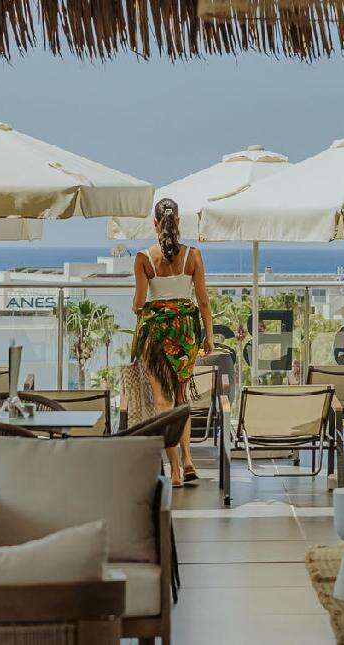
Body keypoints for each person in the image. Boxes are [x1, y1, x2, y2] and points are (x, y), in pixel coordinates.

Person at [131, 198, 213, 487]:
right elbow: (203, 301)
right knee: (181, 398)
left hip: (155, 336)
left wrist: (138, 306)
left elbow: (139, 303)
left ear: (155, 223)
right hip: (185, 333)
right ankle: (189, 459)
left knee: (162, 402)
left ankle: (175, 470)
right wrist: (209, 336)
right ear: (177, 221)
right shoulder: (193, 255)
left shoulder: (143, 258)